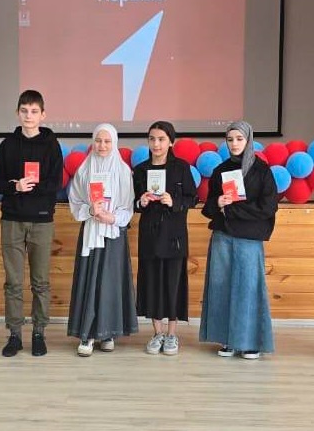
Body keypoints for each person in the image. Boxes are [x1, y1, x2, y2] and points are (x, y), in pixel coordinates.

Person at [0, 90, 64, 357]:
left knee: (40, 282)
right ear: (17, 113)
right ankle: (15, 334)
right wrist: (15, 186)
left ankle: (39, 332)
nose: (28, 116)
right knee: (13, 282)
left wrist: (34, 188)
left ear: (43, 115)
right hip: (12, 220)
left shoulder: (52, 145)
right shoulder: (7, 146)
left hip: (42, 221)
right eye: (24, 111)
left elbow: (56, 182)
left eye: (34, 111)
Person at [199, 121, 277, 360]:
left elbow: (268, 207)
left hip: (249, 239)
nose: (234, 144)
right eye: (230, 139)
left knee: (248, 289)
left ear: (248, 140)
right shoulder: (220, 170)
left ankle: (250, 343)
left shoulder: (261, 171)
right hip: (222, 237)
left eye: (239, 139)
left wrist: (232, 210)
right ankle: (228, 340)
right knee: (221, 287)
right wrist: (218, 203)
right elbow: (208, 207)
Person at [66, 123, 138, 357]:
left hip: (113, 234)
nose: (102, 145)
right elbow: (75, 200)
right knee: (89, 280)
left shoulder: (123, 170)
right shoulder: (85, 169)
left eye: (107, 141)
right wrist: (90, 210)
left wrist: (112, 218)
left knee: (110, 283)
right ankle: (86, 334)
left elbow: (127, 205)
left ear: (114, 143)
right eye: (98, 140)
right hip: (90, 232)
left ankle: (108, 333)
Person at [132, 121, 197, 356]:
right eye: (152, 139)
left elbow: (193, 198)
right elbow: (132, 203)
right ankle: (157, 333)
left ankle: (171, 334)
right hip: (150, 235)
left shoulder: (181, 167)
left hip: (174, 236)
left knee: (173, 284)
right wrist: (141, 202)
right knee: (152, 283)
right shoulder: (140, 169)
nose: (156, 144)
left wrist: (175, 202)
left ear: (171, 142)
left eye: (161, 139)